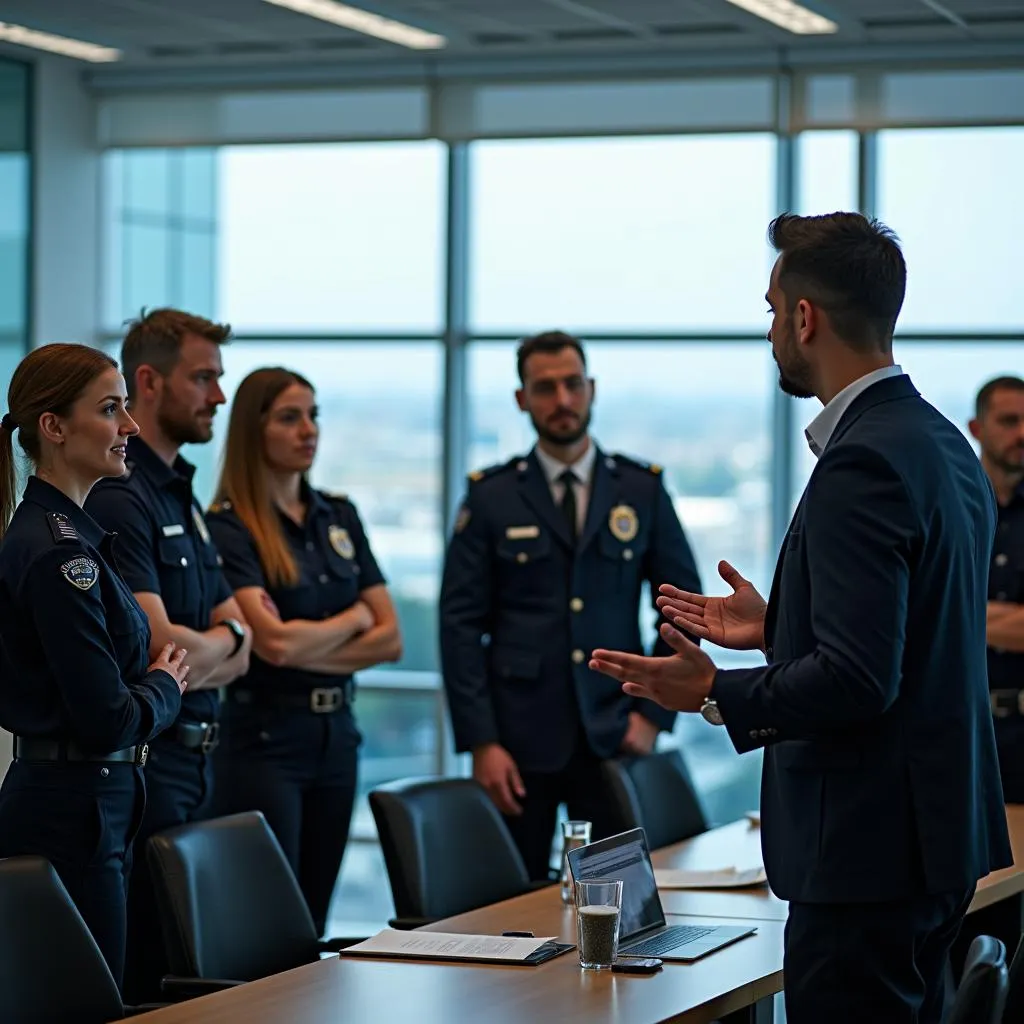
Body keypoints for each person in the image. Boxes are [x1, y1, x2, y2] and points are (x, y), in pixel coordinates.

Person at [590, 212, 1013, 1024]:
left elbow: (860, 680)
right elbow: (917, 630)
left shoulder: (864, 460)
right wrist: (783, 623)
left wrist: (716, 690)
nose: (772, 331)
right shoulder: (939, 442)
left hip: (865, 857)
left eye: (771, 309)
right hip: (927, 845)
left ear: (804, 318)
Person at [439, 331, 702, 881]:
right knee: (509, 913)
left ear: (592, 389)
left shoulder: (640, 489)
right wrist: (482, 742)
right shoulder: (491, 496)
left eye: (572, 385)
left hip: (616, 733)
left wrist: (652, 715)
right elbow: (459, 627)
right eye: (545, 388)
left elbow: (681, 608)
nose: (562, 400)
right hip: (516, 745)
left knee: (622, 905)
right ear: (522, 399)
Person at [0, 343, 188, 989]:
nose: (130, 427)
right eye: (111, 409)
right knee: (88, 1002)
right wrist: (166, 687)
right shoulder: (61, 557)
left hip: (90, 799)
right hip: (71, 809)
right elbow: (107, 716)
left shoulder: (73, 539)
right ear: (53, 427)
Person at [84, 309, 253, 1001]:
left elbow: (235, 644)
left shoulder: (181, 489)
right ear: (147, 382)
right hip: (156, 766)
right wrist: (230, 641)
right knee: (153, 974)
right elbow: (164, 647)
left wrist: (220, 644)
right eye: (204, 377)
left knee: (193, 963)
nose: (218, 394)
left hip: (202, 760)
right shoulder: (124, 498)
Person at [206, 367, 402, 934]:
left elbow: (390, 638)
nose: (308, 430)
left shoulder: (338, 516)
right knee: (269, 924)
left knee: (314, 917)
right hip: (264, 741)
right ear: (253, 430)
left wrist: (301, 641)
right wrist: (353, 619)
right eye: (290, 418)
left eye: (313, 416)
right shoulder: (229, 528)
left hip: (337, 736)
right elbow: (269, 645)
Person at [969, 376, 1024, 802]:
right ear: (977, 429)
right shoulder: (947, 508)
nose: (1021, 433)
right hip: (962, 732)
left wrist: (955, 611)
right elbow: (911, 611)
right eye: (1009, 421)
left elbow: (934, 611)